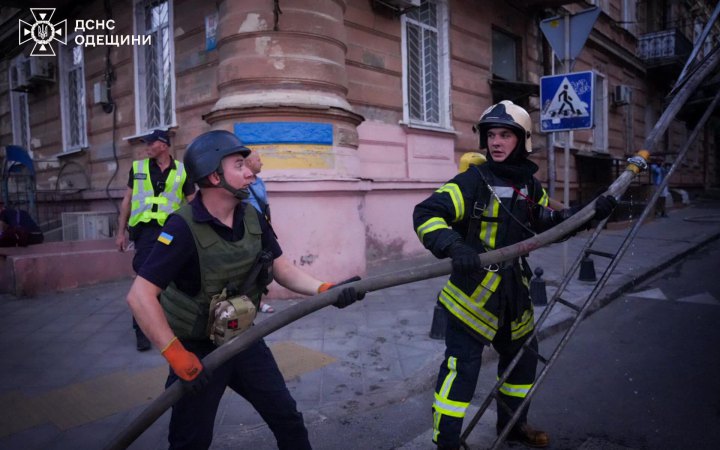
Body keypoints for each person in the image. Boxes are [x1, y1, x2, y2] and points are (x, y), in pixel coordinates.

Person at [126, 129, 364, 450]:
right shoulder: (181, 227)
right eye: (239, 165)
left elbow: (282, 269)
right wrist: (177, 355)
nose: (250, 170)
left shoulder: (251, 215)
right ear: (213, 176)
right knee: (189, 442)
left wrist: (326, 289)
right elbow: (140, 296)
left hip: (242, 339)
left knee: (288, 419)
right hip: (197, 353)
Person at [413, 101, 617, 450]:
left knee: (522, 363)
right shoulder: (471, 182)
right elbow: (427, 213)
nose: (496, 141)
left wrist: (589, 212)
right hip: (471, 298)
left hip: (515, 295)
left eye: (505, 135)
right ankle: (446, 443)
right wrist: (454, 246)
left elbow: (549, 225)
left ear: (522, 141)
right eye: (491, 135)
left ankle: (513, 426)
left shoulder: (529, 186)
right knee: (460, 375)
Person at [116, 129, 195, 351]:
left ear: (163, 144)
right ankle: (141, 331)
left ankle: (169, 326)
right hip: (145, 234)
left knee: (171, 280)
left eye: (150, 143)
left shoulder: (181, 171)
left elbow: (191, 203)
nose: (147, 147)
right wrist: (120, 232)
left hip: (171, 232)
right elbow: (128, 200)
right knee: (144, 280)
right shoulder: (138, 168)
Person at [244, 151, 274, 313]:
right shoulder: (241, 183)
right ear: (248, 163)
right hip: (248, 231)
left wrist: (269, 227)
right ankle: (255, 302)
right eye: (258, 160)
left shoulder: (260, 182)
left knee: (263, 265)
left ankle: (259, 299)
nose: (261, 163)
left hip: (262, 229)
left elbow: (265, 205)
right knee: (249, 267)